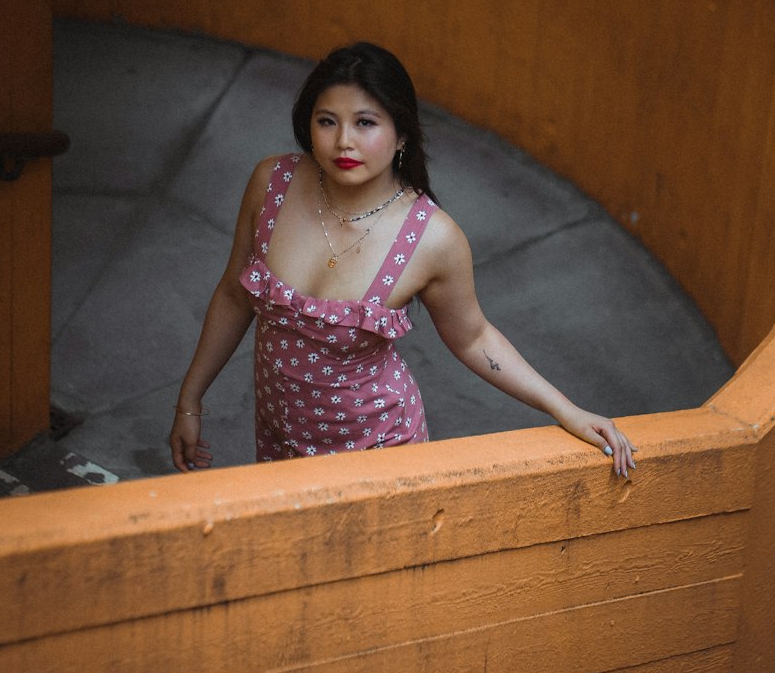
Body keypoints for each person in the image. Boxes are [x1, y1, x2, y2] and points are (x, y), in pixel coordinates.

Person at [170, 42, 636, 477]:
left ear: (401, 135)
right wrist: (189, 401)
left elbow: (474, 337)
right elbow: (234, 295)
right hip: (278, 438)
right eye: (327, 121)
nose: (343, 142)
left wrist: (566, 409)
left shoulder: (432, 238)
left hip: (379, 450)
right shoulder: (272, 183)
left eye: (366, 123)